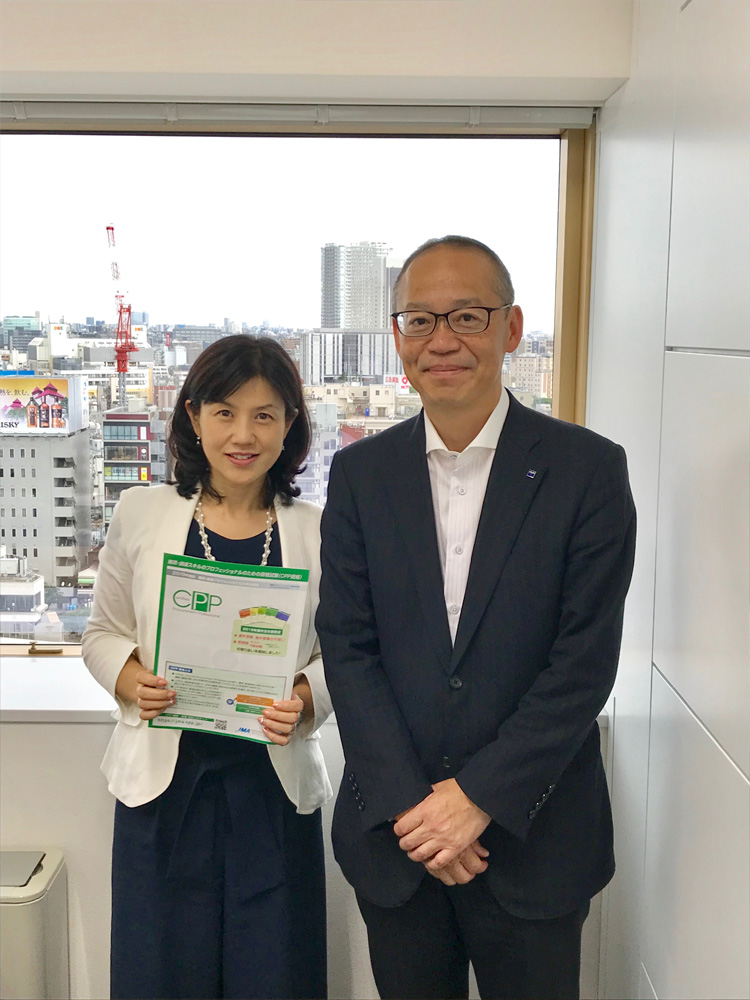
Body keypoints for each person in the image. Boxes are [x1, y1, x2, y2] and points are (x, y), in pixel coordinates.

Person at [316, 236, 636, 1000]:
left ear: (511, 328)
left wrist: (476, 799)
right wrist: (417, 811)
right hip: (398, 844)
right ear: (398, 335)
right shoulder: (359, 473)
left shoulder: (588, 470)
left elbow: (583, 663)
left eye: (467, 315)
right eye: (420, 320)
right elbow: (348, 647)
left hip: (535, 842)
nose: (442, 340)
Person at [83, 335, 332, 1000]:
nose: (243, 435)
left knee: (275, 976)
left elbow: (342, 654)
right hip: (165, 790)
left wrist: (306, 696)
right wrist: (131, 681)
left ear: (290, 425)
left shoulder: (317, 529)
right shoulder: (143, 512)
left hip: (272, 787)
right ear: (193, 416)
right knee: (160, 975)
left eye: (264, 415)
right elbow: (102, 633)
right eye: (224, 412)